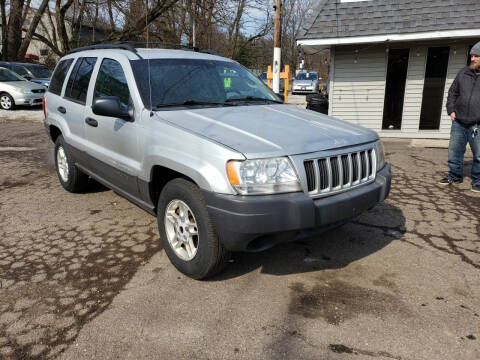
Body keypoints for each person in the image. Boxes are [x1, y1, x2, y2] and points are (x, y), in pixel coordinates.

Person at [439, 41, 480, 192]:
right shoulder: (463, 73)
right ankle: (455, 175)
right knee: (454, 151)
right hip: (459, 121)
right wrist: (451, 110)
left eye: (477, 56)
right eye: (472, 55)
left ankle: (478, 180)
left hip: (477, 124)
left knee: (479, 155)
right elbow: (452, 93)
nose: (473, 59)